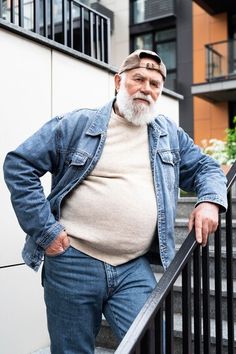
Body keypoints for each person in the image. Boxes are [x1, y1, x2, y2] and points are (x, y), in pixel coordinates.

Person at [3, 49, 227, 354]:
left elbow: (206, 167)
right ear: (119, 81)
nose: (147, 88)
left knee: (151, 346)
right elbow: (19, 165)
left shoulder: (168, 135)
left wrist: (209, 201)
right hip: (73, 260)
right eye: (139, 79)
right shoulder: (77, 125)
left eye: (155, 83)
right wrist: (45, 231)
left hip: (132, 267)